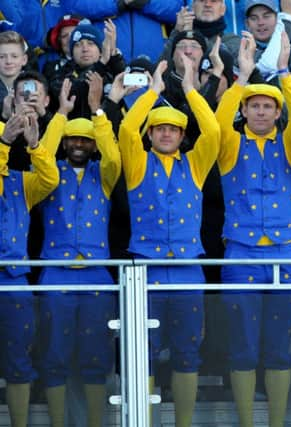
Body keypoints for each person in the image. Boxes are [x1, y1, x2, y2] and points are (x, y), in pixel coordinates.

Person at [118, 55, 220, 427]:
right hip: (144, 272)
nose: (165, 134)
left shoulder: (194, 164)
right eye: (159, 129)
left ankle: (184, 423)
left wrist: (191, 89)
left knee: (187, 354)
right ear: (151, 133)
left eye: (172, 130)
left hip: (188, 272)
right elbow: (127, 131)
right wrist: (153, 93)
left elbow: (213, 133)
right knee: (142, 353)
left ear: (180, 136)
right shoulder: (138, 160)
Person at [215, 31, 291, 427]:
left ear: (276, 111)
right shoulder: (230, 145)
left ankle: (275, 421)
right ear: (245, 110)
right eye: (253, 106)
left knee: (278, 346)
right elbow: (219, 122)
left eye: (267, 106)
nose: (259, 112)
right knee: (242, 345)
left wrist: (286, 73)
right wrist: (242, 77)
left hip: (284, 252)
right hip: (240, 252)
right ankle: (246, 422)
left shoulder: (288, 145)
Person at [37, 72, 119, 427]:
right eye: (73, 140)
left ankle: (96, 423)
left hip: (97, 273)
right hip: (55, 270)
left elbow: (114, 157)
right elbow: (40, 154)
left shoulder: (105, 173)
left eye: (85, 141)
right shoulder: (49, 174)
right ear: (65, 142)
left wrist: (98, 114)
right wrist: (60, 116)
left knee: (97, 354)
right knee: (54, 353)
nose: (79, 145)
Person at [0, 111, 60, 427]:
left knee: (18, 359)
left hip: (13, 280)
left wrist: (35, 147)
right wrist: (4, 141)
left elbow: (50, 180)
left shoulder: (20, 182)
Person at [0, 31, 28, 110]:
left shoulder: (37, 85)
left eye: (14, 56)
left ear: (24, 60)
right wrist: (4, 115)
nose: (8, 61)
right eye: (2, 57)